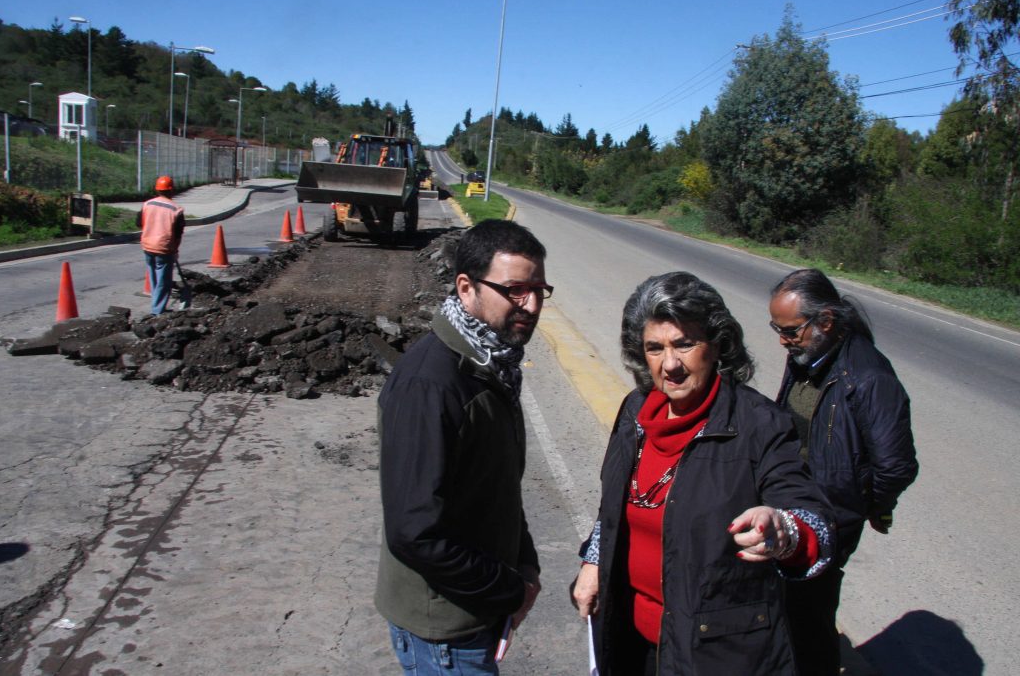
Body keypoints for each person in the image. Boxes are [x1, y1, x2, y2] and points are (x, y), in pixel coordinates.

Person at [571, 271, 833, 676]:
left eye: (684, 344)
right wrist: (594, 561)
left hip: (714, 654)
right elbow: (615, 507)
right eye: (654, 348)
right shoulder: (635, 412)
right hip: (629, 641)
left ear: (717, 344)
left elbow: (812, 520)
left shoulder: (760, 423)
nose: (670, 364)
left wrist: (784, 530)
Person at [375, 220, 551, 674]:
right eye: (515, 290)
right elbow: (415, 532)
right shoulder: (431, 384)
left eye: (539, 290)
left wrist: (525, 564)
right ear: (466, 287)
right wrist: (508, 589)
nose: (531, 305)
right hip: (445, 630)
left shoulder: (490, 364)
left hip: (476, 608)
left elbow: (495, 487)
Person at [769, 268, 918, 676]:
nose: (783, 340)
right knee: (785, 603)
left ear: (826, 321)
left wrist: (866, 506)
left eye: (790, 330)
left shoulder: (869, 377)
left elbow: (896, 465)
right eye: (777, 329)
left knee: (809, 615)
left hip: (830, 515)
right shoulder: (807, 356)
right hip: (793, 501)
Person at [137, 175, 185, 315]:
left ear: (157, 189)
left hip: (147, 245)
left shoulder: (147, 204)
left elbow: (139, 223)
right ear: (172, 190)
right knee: (164, 280)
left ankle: (155, 303)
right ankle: (157, 310)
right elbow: (178, 233)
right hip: (164, 248)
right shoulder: (176, 209)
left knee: (153, 277)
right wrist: (175, 250)